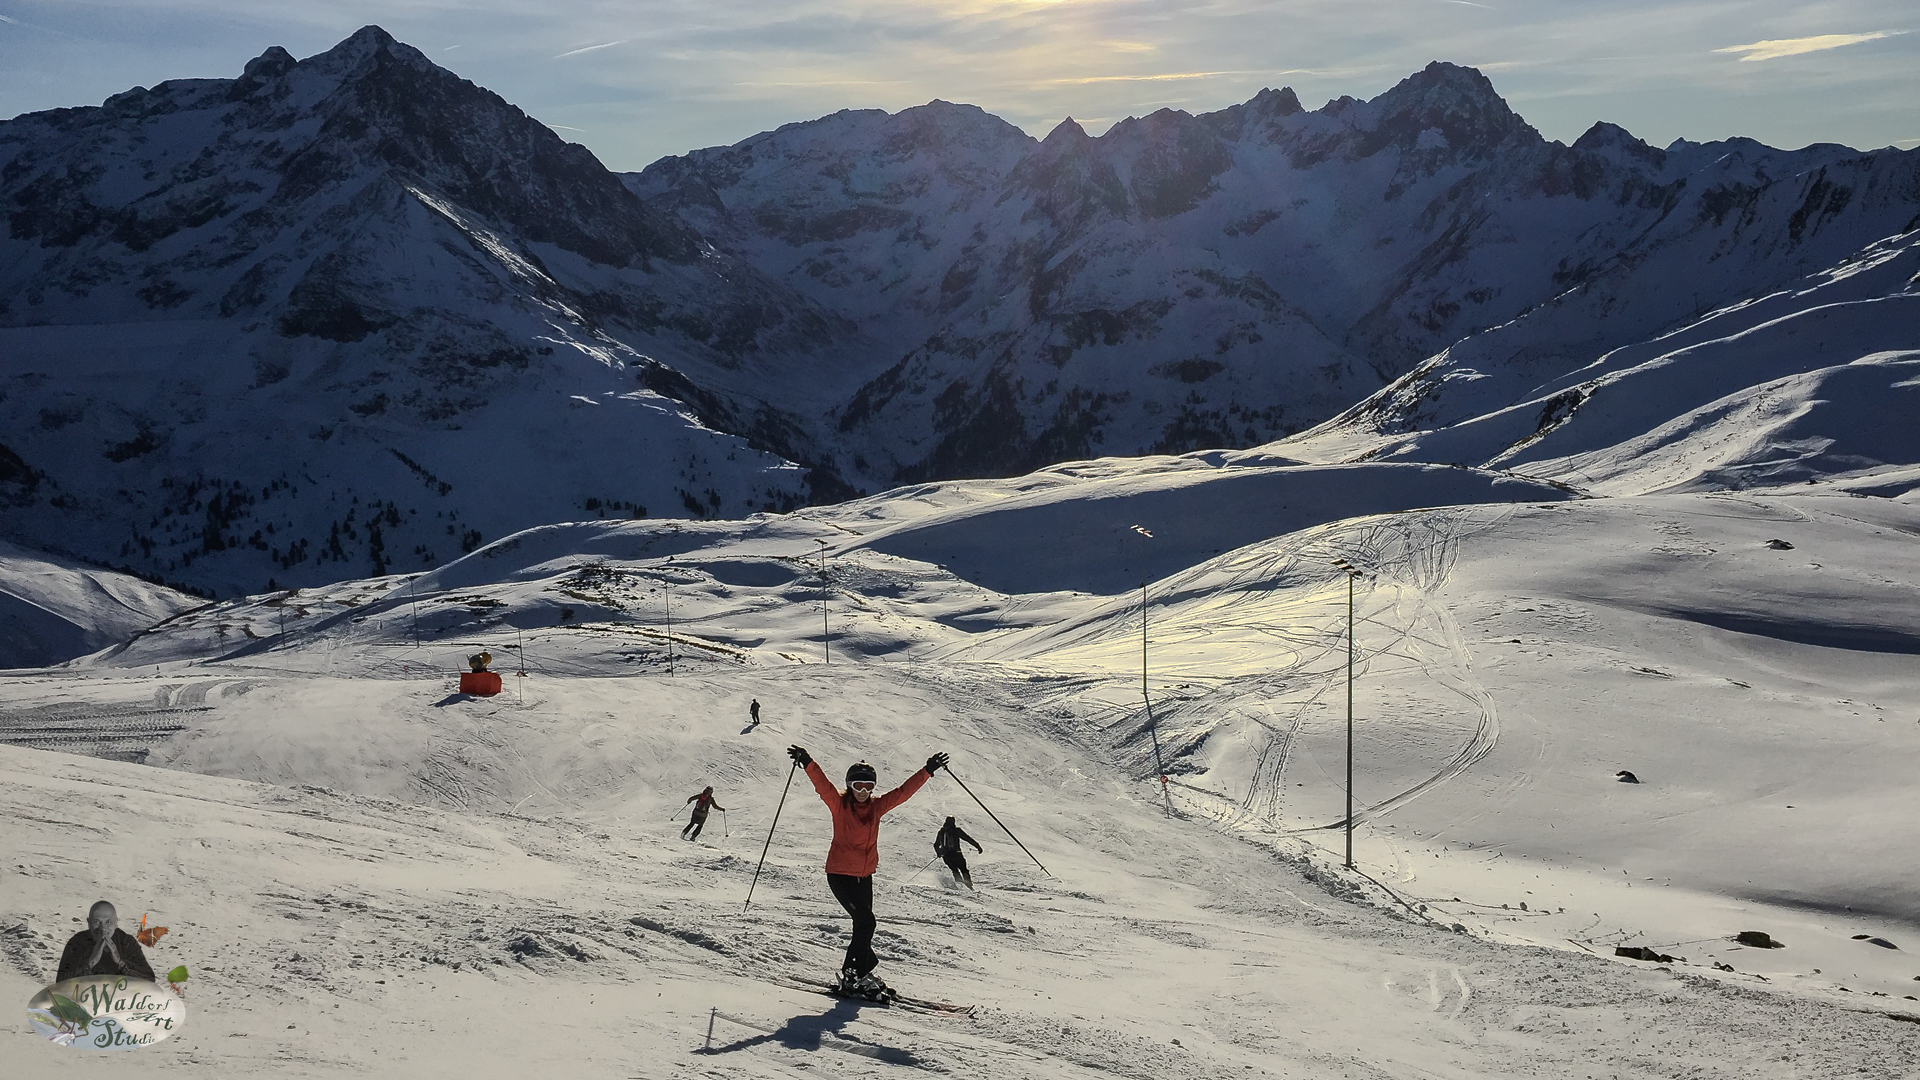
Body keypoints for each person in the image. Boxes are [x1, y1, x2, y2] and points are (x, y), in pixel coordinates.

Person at [788, 744, 947, 998]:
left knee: (863, 926)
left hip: (864, 877)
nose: (863, 792)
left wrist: (927, 770)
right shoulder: (839, 805)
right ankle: (853, 975)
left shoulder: (876, 807)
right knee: (866, 921)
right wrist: (807, 761)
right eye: (858, 786)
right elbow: (823, 785)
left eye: (868, 787)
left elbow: (902, 793)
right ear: (850, 787)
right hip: (840, 875)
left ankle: (860, 971)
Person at [56, 901, 156, 983]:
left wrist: (120, 962)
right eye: (96, 922)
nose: (102, 928)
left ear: (116, 923)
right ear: (89, 923)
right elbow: (60, 983)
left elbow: (149, 980)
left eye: (108, 922)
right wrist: (91, 962)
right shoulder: (76, 942)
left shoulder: (126, 942)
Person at [934, 816, 983, 889]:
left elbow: (936, 844)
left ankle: (960, 885)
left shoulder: (941, 832)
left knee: (955, 870)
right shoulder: (956, 831)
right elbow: (967, 838)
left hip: (946, 855)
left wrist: (939, 853)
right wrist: (977, 846)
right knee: (963, 869)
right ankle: (968, 885)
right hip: (956, 854)